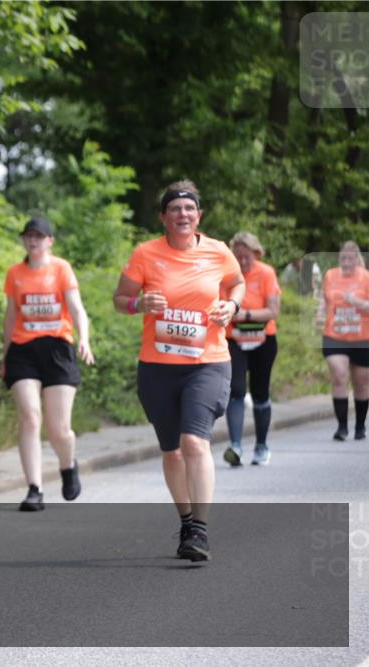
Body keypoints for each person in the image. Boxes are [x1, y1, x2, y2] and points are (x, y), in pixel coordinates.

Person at [113, 181, 244, 562]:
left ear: (198, 216)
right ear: (163, 217)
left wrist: (232, 306)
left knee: (194, 443)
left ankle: (200, 529)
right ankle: (186, 521)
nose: (182, 214)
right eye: (174, 209)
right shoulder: (145, 253)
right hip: (158, 367)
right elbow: (120, 299)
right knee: (171, 451)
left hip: (208, 363)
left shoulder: (218, 251)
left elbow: (237, 283)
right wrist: (139, 304)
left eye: (189, 209)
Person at [1, 216, 94, 511]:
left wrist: (84, 339)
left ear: (49, 241)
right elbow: (11, 316)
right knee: (30, 416)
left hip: (58, 350)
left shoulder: (61, 268)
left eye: (39, 236)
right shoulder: (15, 273)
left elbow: (77, 309)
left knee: (59, 429)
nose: (33, 241)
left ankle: (68, 465)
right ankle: (34, 489)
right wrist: (4, 355)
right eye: (28, 236)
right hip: (23, 350)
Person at [221, 232, 281, 467]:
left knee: (259, 392)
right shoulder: (226, 275)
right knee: (235, 389)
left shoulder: (266, 273)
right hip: (233, 340)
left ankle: (261, 446)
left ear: (256, 253)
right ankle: (236, 446)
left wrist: (244, 314)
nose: (243, 261)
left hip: (263, 339)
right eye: (238, 257)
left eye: (247, 256)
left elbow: (273, 311)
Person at [317, 240, 369, 441]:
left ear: (357, 259)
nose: (346, 262)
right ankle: (342, 427)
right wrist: (320, 312)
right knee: (339, 376)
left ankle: (360, 426)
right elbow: (324, 299)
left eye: (350, 258)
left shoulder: (366, 277)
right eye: (342, 258)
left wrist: (358, 302)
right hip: (335, 335)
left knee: (361, 384)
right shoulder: (330, 275)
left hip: (362, 338)